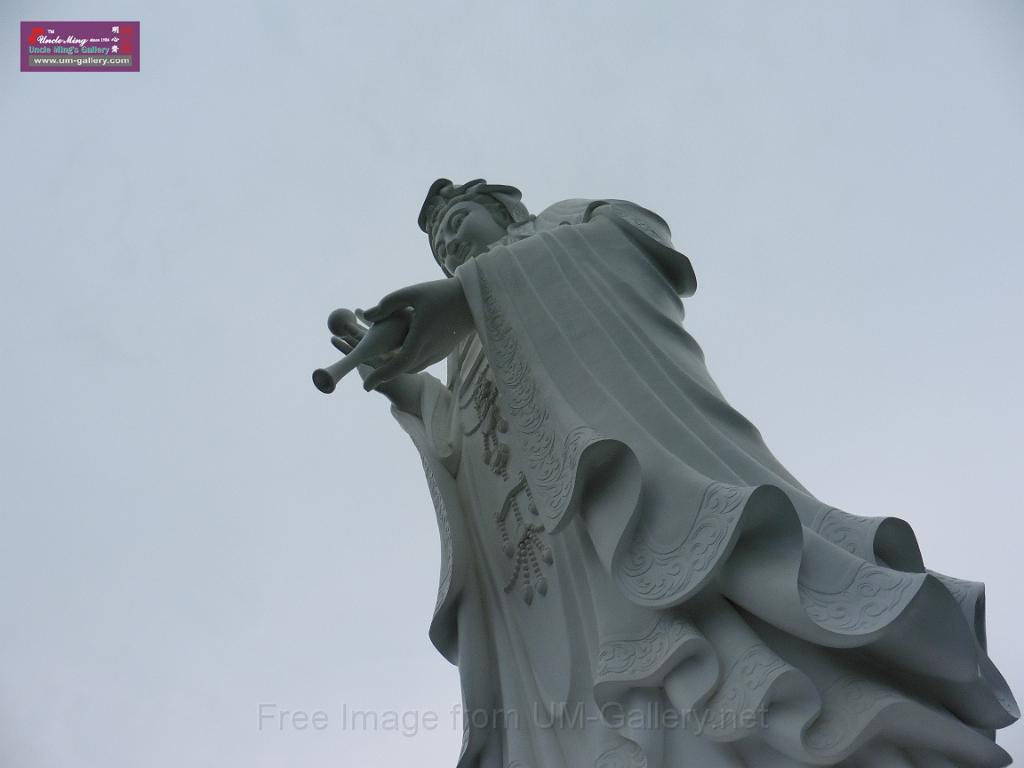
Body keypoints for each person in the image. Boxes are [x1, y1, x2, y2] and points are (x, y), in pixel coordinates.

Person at [326, 178, 1018, 767]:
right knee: (587, 707)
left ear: (505, 210)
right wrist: (410, 390)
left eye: (457, 223)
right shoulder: (463, 345)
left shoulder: (573, 224)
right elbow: (473, 444)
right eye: (442, 247)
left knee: (686, 668)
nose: (451, 245)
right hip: (548, 567)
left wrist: (478, 290)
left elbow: (639, 248)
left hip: (617, 499)